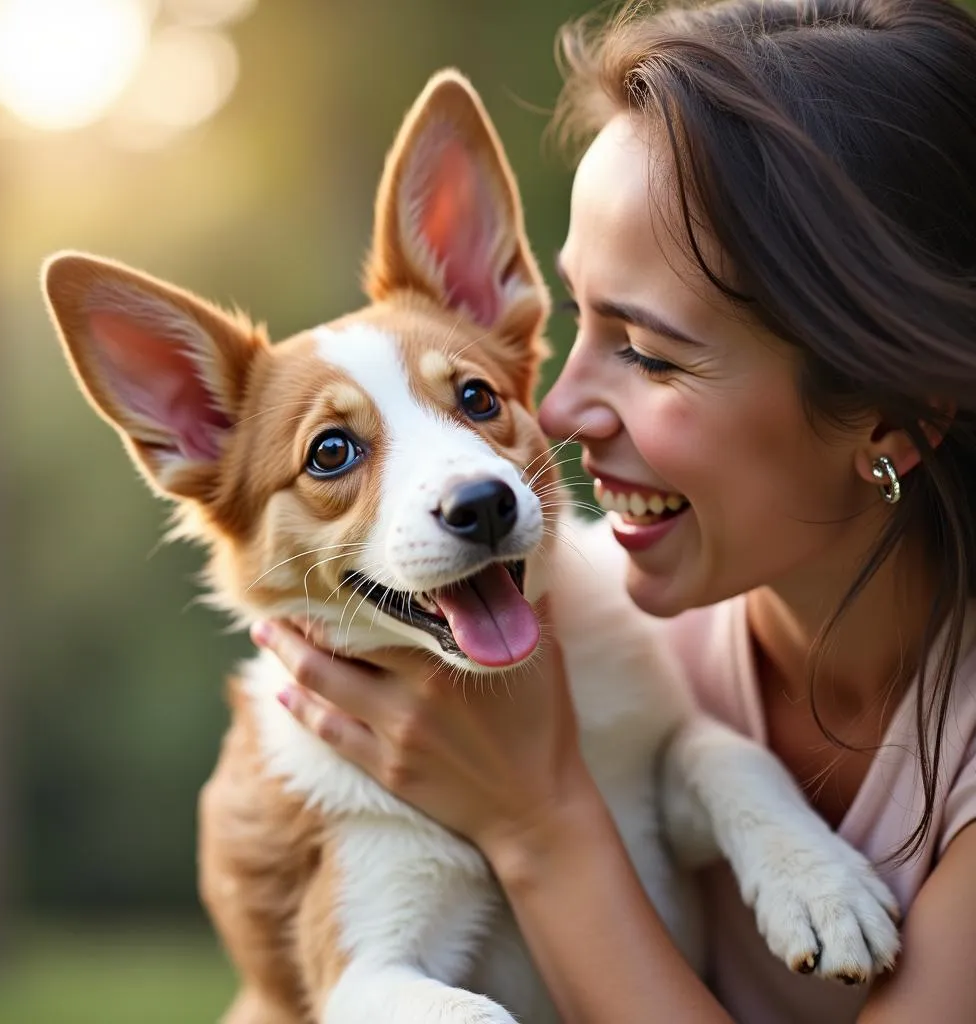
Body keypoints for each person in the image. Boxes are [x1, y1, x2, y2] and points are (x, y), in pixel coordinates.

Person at [246, 0, 976, 1019]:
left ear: (892, 417)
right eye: (576, 317)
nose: (544, 410)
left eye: (648, 351)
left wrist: (539, 819)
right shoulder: (642, 607)